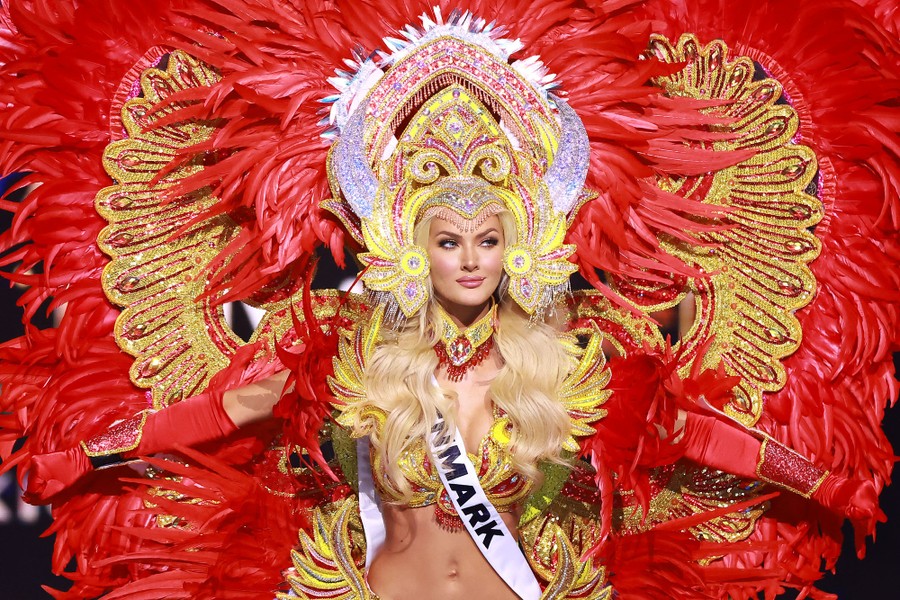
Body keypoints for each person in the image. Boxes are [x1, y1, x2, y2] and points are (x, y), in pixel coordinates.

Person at [2, 2, 898, 599]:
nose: (468, 259)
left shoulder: (579, 348)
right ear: (407, 240)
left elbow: (695, 436)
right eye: (447, 239)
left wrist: (823, 479)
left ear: (521, 240)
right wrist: (84, 452)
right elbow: (225, 410)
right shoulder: (339, 345)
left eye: (487, 238)